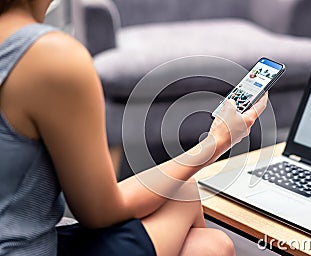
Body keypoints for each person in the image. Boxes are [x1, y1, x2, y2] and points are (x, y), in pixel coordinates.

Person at [0, 1, 268, 255]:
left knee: (209, 242)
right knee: (193, 210)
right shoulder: (48, 56)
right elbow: (99, 212)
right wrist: (215, 142)